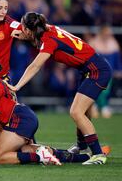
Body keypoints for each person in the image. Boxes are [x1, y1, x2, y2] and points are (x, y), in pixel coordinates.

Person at [8, 12, 112, 165]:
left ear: (30, 30)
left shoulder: (48, 40)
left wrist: (17, 86)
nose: (21, 30)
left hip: (96, 70)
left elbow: (35, 65)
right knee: (83, 113)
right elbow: (27, 32)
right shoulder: (47, 29)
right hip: (90, 68)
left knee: (76, 112)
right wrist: (26, 35)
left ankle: (98, 154)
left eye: (24, 28)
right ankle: (81, 146)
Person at [0, 58, 91, 165]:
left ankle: (41, 157)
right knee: (23, 150)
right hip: (20, 117)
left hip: (20, 119)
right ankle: (82, 157)